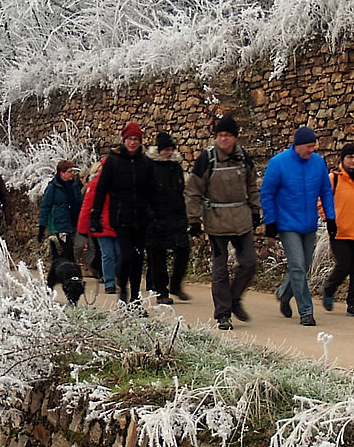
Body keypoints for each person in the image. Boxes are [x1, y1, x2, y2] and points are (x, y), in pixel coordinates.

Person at [185, 115, 261, 330]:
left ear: (235, 138)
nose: (223, 139)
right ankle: (223, 314)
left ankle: (234, 298)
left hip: (241, 218)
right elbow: (193, 191)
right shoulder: (206, 159)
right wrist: (193, 220)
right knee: (220, 270)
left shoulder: (244, 157)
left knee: (249, 262)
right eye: (220, 135)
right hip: (216, 220)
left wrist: (255, 210)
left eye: (227, 135)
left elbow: (252, 186)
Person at [261, 126, 336, 327]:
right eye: (309, 146)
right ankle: (306, 312)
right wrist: (270, 220)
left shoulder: (318, 163)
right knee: (297, 265)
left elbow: (326, 192)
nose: (312, 150)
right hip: (287, 223)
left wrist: (331, 218)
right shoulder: (278, 164)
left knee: (304, 266)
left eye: (314, 146)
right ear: (298, 145)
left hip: (309, 223)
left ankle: (284, 294)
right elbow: (267, 193)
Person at [90, 122, 153, 304]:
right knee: (126, 257)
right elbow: (101, 190)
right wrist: (95, 216)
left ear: (140, 141)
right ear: (124, 140)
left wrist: (156, 214)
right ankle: (123, 290)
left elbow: (153, 191)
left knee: (138, 258)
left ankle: (135, 298)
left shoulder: (145, 163)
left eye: (135, 139)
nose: (132, 143)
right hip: (120, 217)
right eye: (129, 139)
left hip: (141, 218)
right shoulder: (113, 161)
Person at [321, 143, 354, 318]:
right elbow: (321, 201)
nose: (353, 161)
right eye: (350, 157)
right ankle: (329, 289)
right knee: (344, 265)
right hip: (340, 231)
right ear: (342, 159)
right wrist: (329, 219)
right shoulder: (333, 178)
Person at [145, 132, 190, 304]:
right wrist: (150, 216)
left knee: (184, 251)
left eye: (171, 149)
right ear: (160, 150)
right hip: (155, 219)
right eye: (166, 149)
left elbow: (180, 192)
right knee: (158, 257)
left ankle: (176, 284)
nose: (169, 152)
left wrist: (184, 216)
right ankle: (161, 292)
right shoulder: (149, 166)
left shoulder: (175, 166)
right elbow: (145, 193)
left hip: (176, 217)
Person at [78, 159, 119, 294]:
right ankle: (109, 283)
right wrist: (83, 230)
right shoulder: (95, 184)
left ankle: (118, 278)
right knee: (108, 254)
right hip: (101, 225)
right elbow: (87, 206)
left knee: (119, 253)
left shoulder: (122, 183)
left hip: (118, 224)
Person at [38, 159, 84, 262]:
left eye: (72, 171)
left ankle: (59, 265)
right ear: (61, 173)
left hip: (74, 222)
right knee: (68, 250)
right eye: (69, 171)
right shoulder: (53, 188)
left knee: (76, 247)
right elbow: (45, 206)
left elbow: (80, 203)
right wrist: (42, 226)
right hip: (60, 225)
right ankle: (68, 273)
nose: (72, 174)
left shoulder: (74, 185)